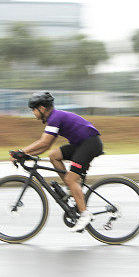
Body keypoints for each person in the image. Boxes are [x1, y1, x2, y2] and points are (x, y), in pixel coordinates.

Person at [13, 91, 103, 233]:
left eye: (33, 110)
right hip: (81, 144)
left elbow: (44, 142)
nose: (33, 113)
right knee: (54, 155)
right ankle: (72, 189)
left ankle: (85, 215)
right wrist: (25, 155)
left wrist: (22, 152)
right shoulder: (54, 118)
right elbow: (46, 147)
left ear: (41, 109)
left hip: (90, 144)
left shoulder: (55, 117)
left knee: (71, 178)